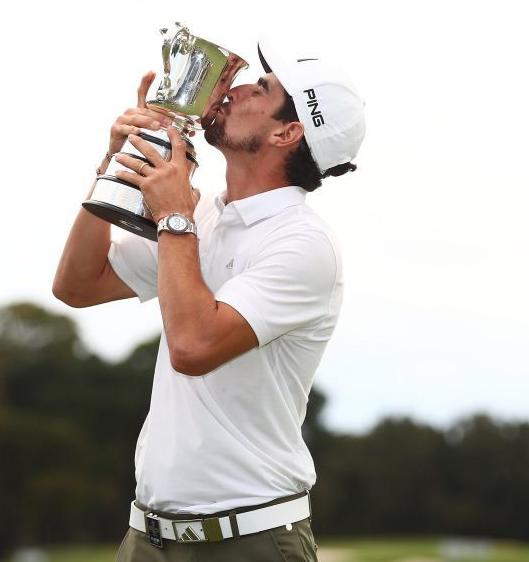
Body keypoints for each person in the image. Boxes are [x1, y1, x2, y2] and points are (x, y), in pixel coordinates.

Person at [52, 35, 366, 562]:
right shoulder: (203, 216)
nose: (237, 88)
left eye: (261, 90)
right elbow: (78, 285)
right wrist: (119, 161)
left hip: (251, 541)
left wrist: (173, 218)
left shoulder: (302, 242)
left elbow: (194, 346)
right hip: (147, 539)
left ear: (288, 131)